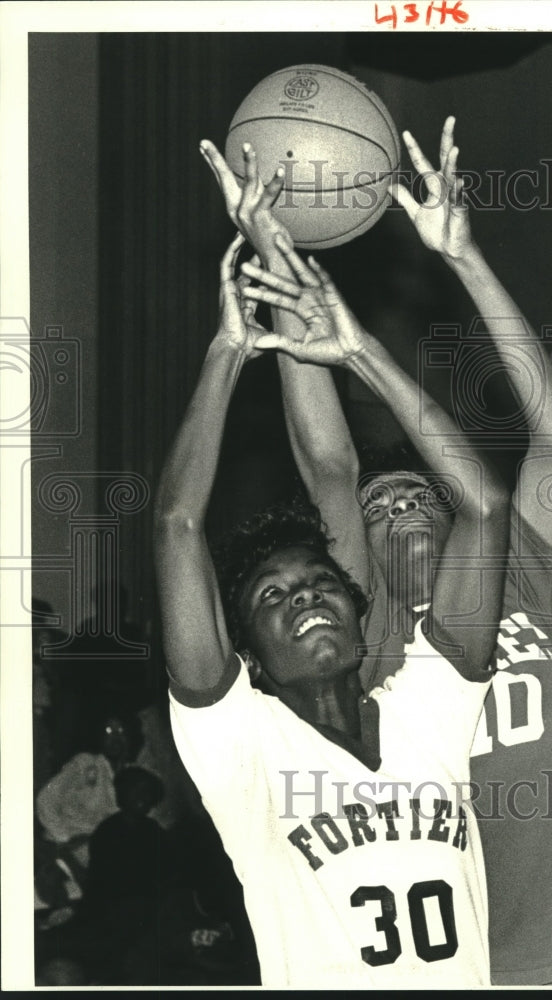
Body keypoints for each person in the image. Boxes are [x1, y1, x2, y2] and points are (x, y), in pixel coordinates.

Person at [201, 116, 552, 985]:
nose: (398, 509)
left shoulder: (522, 581)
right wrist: (275, 258)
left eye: (416, 492)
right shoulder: (366, 620)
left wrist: (464, 256)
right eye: (377, 508)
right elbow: (328, 461)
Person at [153, 178, 510, 989]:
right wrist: (226, 352)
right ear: (245, 654)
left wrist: (361, 353)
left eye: (317, 581)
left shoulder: (428, 711)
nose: (304, 594)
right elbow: (177, 524)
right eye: (271, 598)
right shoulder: (238, 748)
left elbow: (485, 508)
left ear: (357, 603)